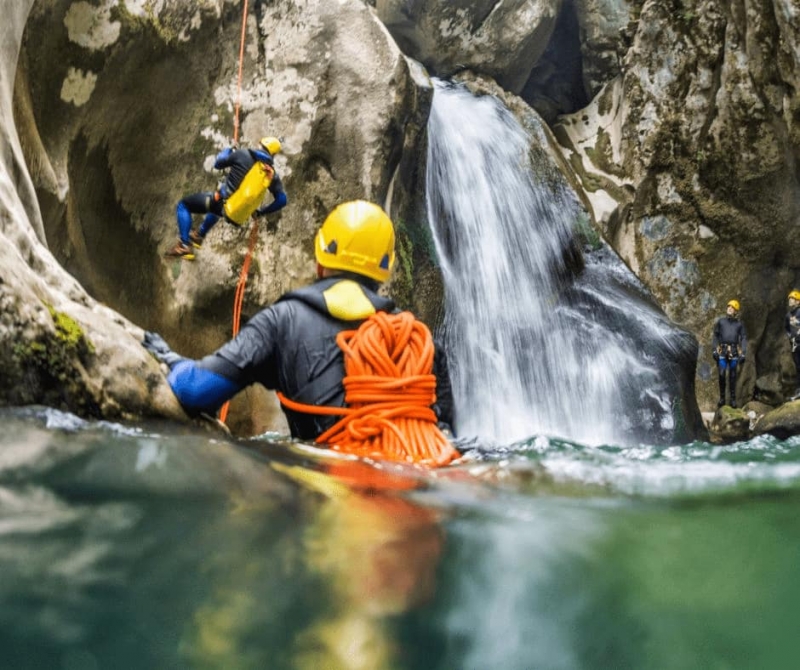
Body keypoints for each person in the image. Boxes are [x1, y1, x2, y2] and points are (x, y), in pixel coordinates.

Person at [146, 200, 453, 439]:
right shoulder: (419, 340)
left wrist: (172, 360)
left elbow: (196, 390)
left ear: (320, 259)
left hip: (327, 490)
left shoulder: (283, 322)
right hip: (414, 493)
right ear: (385, 269)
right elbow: (446, 434)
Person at [164, 136, 288, 260]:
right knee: (218, 209)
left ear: (261, 144)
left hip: (222, 201)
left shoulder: (243, 154)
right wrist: (261, 212)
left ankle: (184, 245)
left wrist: (229, 150)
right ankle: (199, 235)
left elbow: (218, 163)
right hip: (234, 212)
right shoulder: (271, 174)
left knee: (184, 205)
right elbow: (282, 200)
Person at [712, 299, 747, 408]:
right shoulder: (721, 322)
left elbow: (744, 338)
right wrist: (714, 349)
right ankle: (722, 398)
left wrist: (743, 353)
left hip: (734, 353)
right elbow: (715, 336)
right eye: (729, 307)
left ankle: (732, 399)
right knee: (722, 374)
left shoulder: (739, 325)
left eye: (732, 308)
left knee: (732, 376)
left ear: (736, 311)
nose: (730, 309)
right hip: (722, 351)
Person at [784, 290, 800, 399]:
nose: (790, 300)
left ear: (798, 302)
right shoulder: (788, 315)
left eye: (792, 299)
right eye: (789, 299)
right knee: (798, 367)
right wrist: (790, 336)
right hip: (795, 344)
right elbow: (786, 328)